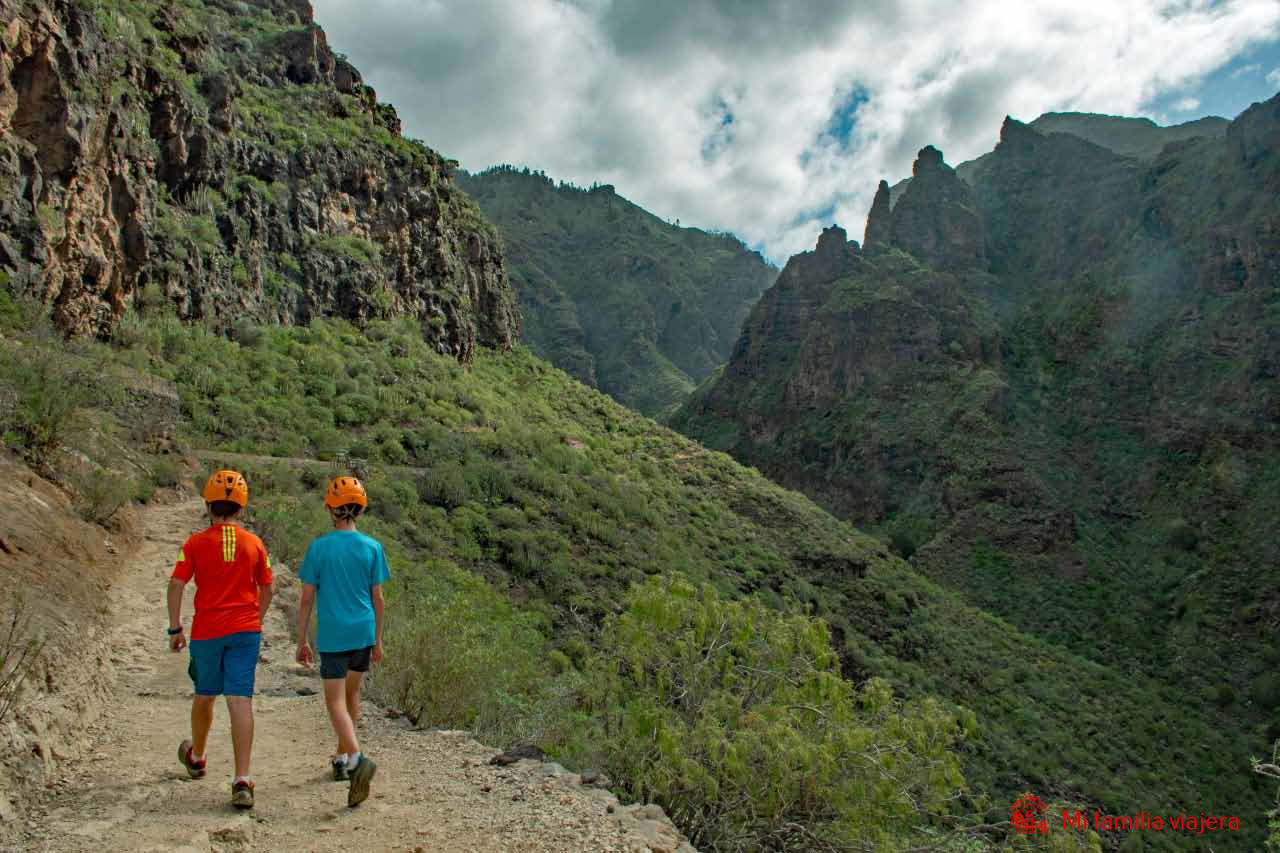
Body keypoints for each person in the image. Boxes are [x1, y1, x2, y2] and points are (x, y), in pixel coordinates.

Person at [167, 469, 273, 810]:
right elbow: (267, 586)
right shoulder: (254, 543)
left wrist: (175, 628)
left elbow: (176, 584)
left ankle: (197, 756)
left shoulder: (194, 544)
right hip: (245, 630)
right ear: (241, 508)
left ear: (208, 504)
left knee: (205, 695)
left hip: (207, 632)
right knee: (240, 701)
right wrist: (256, 619)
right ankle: (242, 778)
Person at [295, 476, 389, 807]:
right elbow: (378, 598)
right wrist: (378, 640)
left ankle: (358, 757)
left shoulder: (319, 548)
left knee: (334, 701)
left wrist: (302, 638)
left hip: (334, 633)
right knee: (352, 695)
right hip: (363, 631)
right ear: (359, 510)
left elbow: (307, 599)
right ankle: (342, 758)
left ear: (332, 509)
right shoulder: (372, 548)